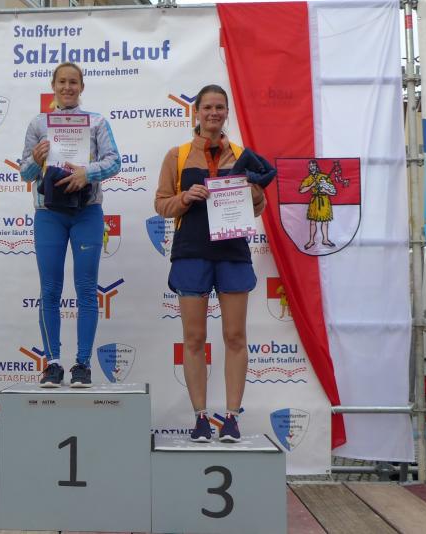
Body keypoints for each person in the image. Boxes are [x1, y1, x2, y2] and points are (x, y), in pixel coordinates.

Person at [154, 84, 275, 442]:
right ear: (196, 112)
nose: (213, 113)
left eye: (219, 107)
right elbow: (161, 204)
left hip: (232, 252)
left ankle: (232, 418)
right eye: (207, 107)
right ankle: (200, 418)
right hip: (191, 252)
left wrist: (254, 193)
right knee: (194, 338)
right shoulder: (177, 155)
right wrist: (185, 197)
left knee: (235, 336)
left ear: (226, 113)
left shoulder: (241, 155)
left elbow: (258, 208)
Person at [20, 62, 121, 388]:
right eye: (62, 82)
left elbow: (114, 161)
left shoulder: (97, 122)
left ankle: (82, 364)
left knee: (87, 289)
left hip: (86, 211)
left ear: (81, 87)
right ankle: (52, 363)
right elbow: (24, 173)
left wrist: (86, 173)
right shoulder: (38, 123)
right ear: (53, 85)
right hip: (49, 213)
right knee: (50, 289)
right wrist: (36, 160)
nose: (67, 87)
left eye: (73, 82)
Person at [299, 159, 336, 249]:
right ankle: (311, 241)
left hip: (324, 200)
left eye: (313, 165)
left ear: (316, 166)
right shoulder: (308, 179)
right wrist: (311, 185)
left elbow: (333, 191)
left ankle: (325, 240)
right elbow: (301, 190)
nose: (312, 167)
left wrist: (325, 190)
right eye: (310, 166)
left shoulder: (324, 177)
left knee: (325, 222)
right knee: (312, 222)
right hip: (314, 201)